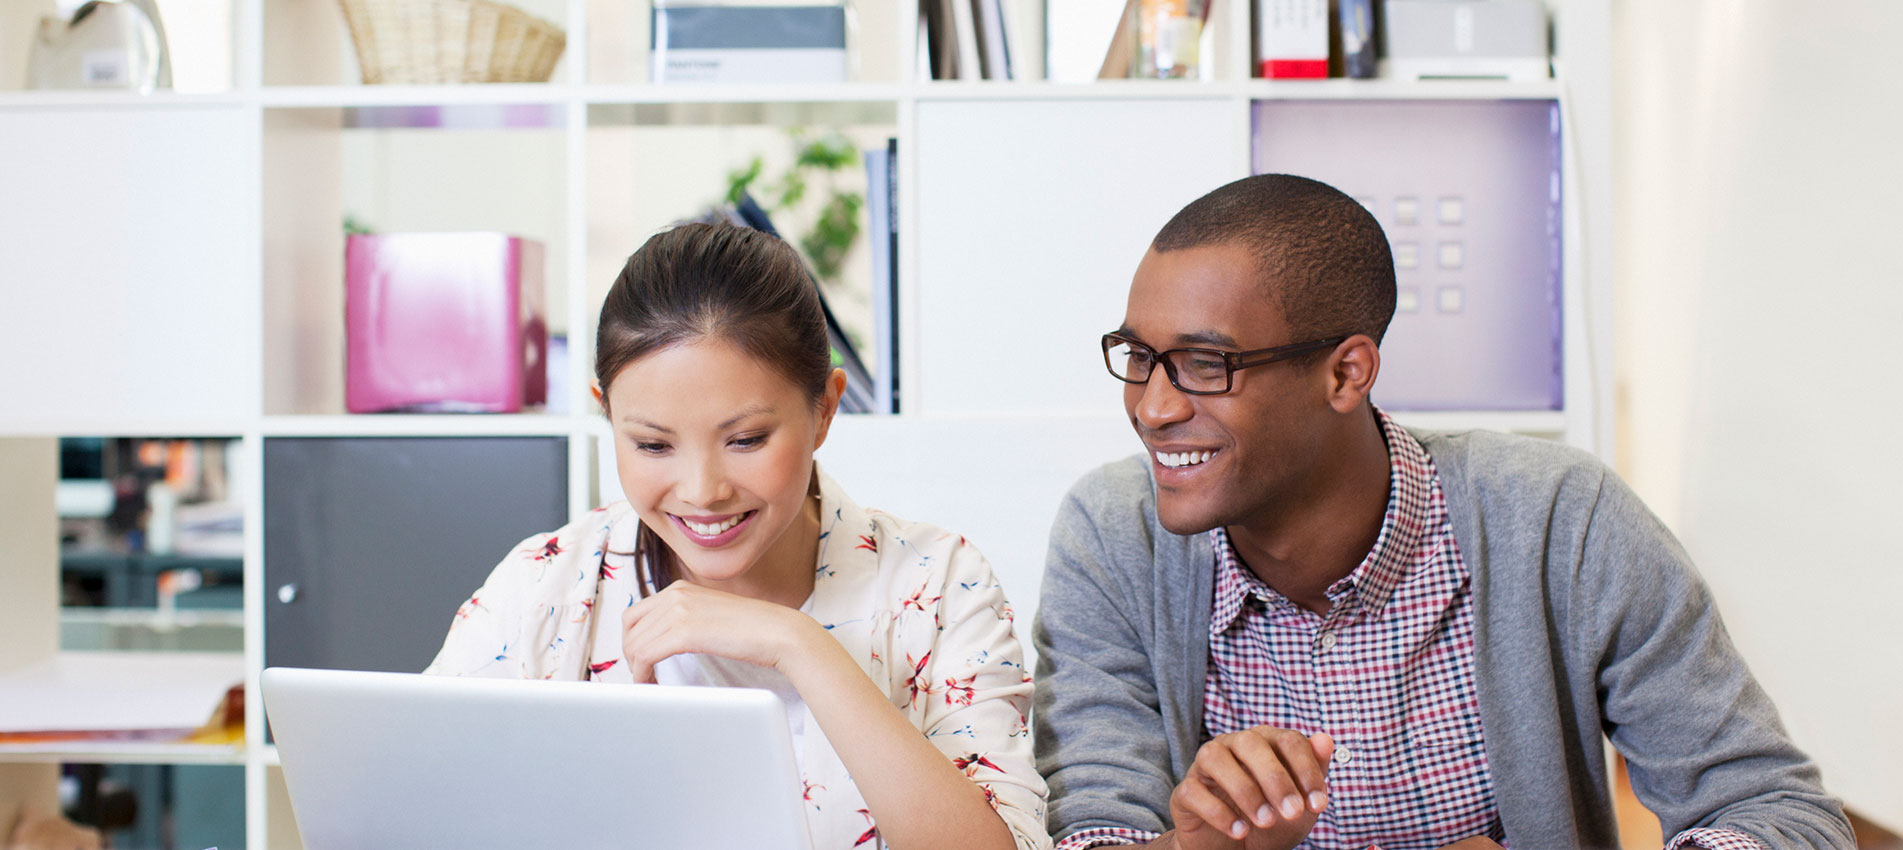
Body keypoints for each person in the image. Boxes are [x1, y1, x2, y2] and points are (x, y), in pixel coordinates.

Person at [1032, 174, 1852, 850]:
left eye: (1206, 364)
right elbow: (1091, 831)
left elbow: (1778, 814)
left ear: (1346, 374)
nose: (1152, 407)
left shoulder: (1556, 519)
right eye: (1138, 357)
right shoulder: (1113, 537)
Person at [425, 222, 1047, 850]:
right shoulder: (544, 586)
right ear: (606, 411)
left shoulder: (938, 586)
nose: (702, 491)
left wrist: (798, 645)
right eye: (652, 444)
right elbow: (416, 805)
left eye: (746, 440)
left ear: (825, 409)